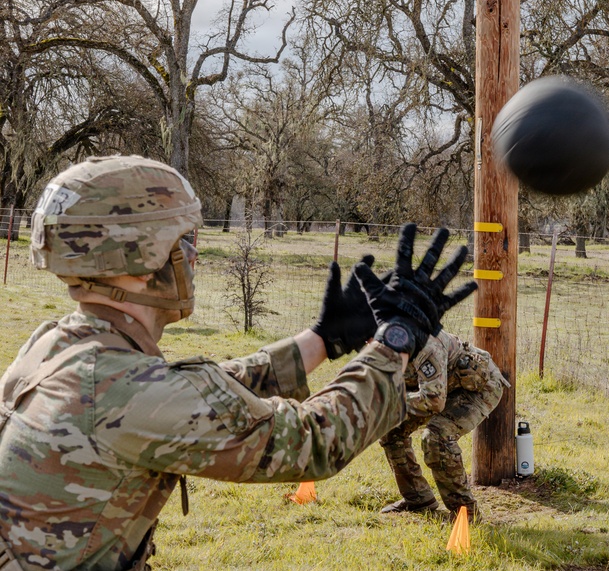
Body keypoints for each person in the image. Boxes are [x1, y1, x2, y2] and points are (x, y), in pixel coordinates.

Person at [0, 155, 476, 571]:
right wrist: (395, 341)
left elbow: (201, 391)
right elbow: (314, 441)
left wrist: (321, 340)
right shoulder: (118, 390)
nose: (195, 256)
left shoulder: (60, 345)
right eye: (185, 240)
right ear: (143, 258)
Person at [378, 330, 508, 521]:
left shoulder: (425, 344)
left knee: (437, 435)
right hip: (437, 387)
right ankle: (418, 499)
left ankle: (465, 514)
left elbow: (433, 400)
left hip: (474, 386)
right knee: (391, 429)